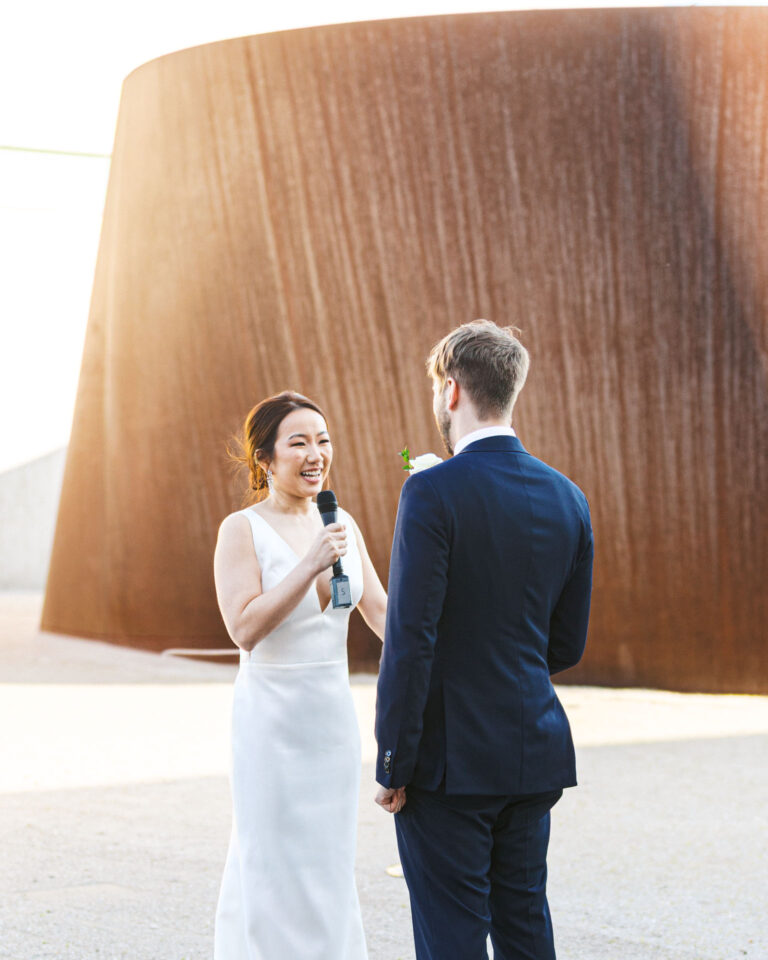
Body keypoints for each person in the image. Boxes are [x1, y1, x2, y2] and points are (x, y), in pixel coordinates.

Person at [375, 320, 593, 960]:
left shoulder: (431, 491)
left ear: (449, 392)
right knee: (525, 926)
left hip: (448, 764)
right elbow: (567, 644)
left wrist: (395, 759)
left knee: (452, 938)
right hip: (532, 751)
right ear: (511, 389)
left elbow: (409, 640)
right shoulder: (569, 497)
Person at [213, 390, 387, 960]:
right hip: (271, 721)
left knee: (327, 861)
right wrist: (310, 563)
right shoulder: (241, 529)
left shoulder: (342, 523)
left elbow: (383, 613)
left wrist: (454, 651)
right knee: (272, 858)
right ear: (266, 459)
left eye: (323, 440)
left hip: (331, 722)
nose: (316, 454)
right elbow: (244, 628)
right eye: (299, 442)